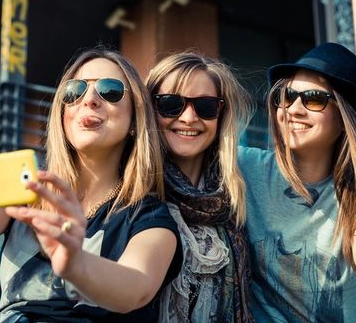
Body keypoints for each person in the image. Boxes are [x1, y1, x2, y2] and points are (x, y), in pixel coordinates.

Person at [0, 47, 182, 323]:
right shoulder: (26, 184)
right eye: (74, 91)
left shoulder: (149, 217)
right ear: (62, 113)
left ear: (134, 119)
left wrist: (76, 263)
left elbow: (136, 288)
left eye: (110, 90)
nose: (89, 99)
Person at [238, 42, 356, 322]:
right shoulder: (244, 167)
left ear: (344, 115)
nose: (294, 109)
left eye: (314, 98)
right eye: (286, 95)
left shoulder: (351, 195)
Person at [146, 52, 254, 323]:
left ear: (220, 116)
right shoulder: (131, 192)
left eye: (205, 106)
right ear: (149, 109)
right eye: (171, 104)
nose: (189, 117)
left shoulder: (236, 195)